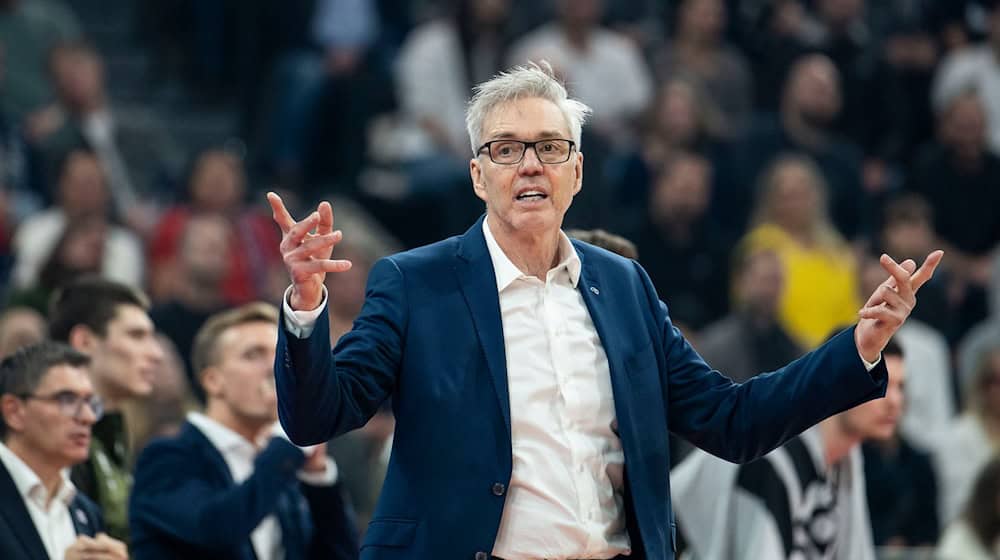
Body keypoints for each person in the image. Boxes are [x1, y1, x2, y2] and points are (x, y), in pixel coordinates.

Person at [268, 63, 942, 559]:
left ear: (577, 172)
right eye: (506, 149)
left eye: (549, 148)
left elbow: (732, 421)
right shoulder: (415, 282)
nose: (530, 164)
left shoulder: (624, 286)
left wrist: (859, 343)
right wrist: (305, 309)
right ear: (479, 175)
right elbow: (317, 416)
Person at [129, 302, 359, 559]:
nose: (274, 369)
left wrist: (318, 480)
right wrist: (287, 444)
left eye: (278, 355)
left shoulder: (283, 466)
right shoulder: (166, 457)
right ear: (213, 381)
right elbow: (215, 528)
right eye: (253, 355)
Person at [671, 338, 908, 560]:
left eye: (901, 387)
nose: (894, 401)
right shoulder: (775, 458)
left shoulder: (848, 459)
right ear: (845, 383)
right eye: (882, 380)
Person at [48, 276, 165, 542]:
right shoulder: (48, 435)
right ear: (85, 341)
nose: (156, 353)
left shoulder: (112, 431)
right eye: (137, 336)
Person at [0, 341, 127, 560]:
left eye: (90, 402)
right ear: (14, 411)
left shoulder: (86, 511)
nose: (87, 417)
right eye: (67, 400)